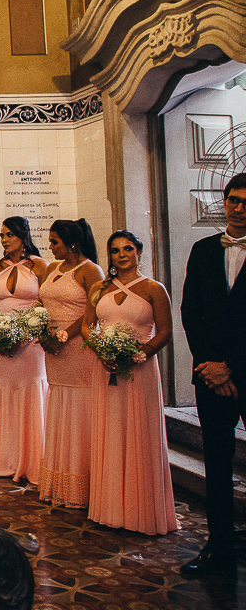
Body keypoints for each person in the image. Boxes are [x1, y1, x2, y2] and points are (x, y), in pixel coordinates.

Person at [82, 230, 178, 536]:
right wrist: (101, 351)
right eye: (115, 250)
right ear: (109, 255)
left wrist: (142, 353)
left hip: (140, 370)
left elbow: (165, 330)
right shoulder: (99, 287)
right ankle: (109, 508)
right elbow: (87, 326)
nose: (121, 255)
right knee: (110, 431)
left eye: (127, 249)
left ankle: (142, 511)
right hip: (105, 368)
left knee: (139, 431)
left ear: (139, 252)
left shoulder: (153, 288)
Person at [179, 172, 246, 575]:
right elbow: (191, 311)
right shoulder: (203, 250)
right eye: (233, 200)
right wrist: (210, 366)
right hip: (210, 377)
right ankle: (219, 548)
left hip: (242, 371)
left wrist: (231, 366)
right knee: (217, 466)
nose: (239, 208)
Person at [37, 218, 102, 508]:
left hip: (77, 348)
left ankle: (82, 481)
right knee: (59, 405)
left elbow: (92, 311)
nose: (50, 247)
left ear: (72, 244)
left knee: (79, 409)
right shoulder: (52, 269)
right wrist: (41, 331)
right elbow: (42, 304)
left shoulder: (90, 270)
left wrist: (63, 336)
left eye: (55, 242)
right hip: (53, 350)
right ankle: (59, 478)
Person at [0, 217, 49, 484]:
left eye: (9, 235)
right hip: (1, 343)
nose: (4, 240)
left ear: (23, 236)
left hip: (31, 343)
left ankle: (34, 461)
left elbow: (46, 304)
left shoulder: (39, 266)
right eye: (2, 235)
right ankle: (6, 460)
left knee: (31, 390)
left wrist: (25, 333)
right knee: (5, 391)